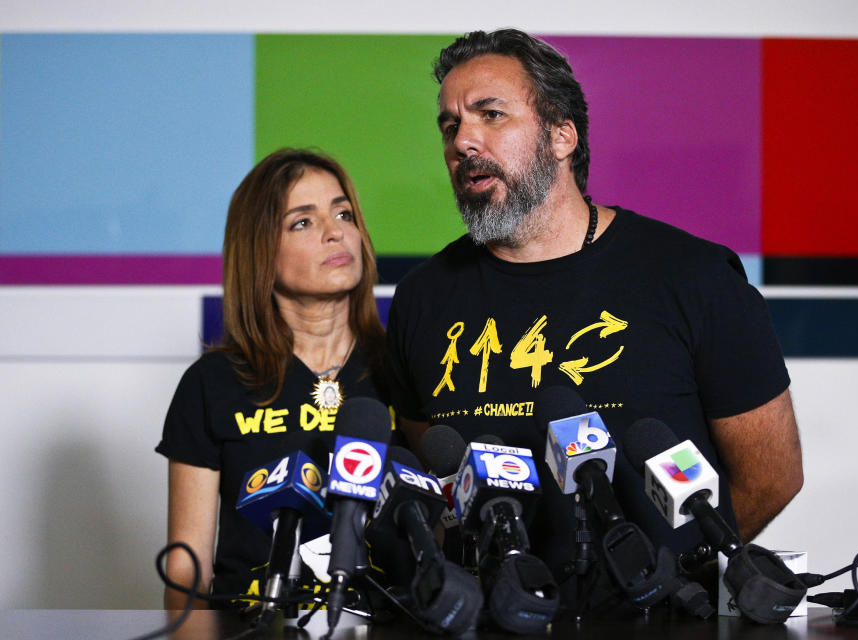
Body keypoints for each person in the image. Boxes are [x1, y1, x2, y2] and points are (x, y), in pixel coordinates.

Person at [386, 29, 803, 593]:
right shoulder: (423, 298)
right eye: (450, 124)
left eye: (490, 114)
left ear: (562, 136)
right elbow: (431, 467)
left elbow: (771, 476)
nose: (463, 141)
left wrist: (678, 581)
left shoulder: (694, 277)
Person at [157, 148, 389, 609]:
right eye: (302, 222)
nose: (335, 232)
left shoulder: (404, 367)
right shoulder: (212, 383)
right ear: (260, 250)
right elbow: (188, 570)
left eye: (343, 213)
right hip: (250, 624)